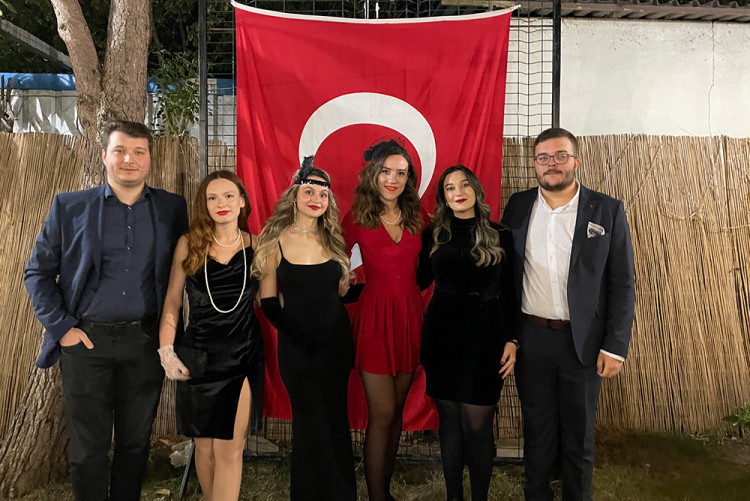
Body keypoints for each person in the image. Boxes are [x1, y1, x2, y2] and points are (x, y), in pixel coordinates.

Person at [24, 120, 188, 501]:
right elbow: (37, 273)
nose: (129, 159)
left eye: (138, 152)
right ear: (104, 156)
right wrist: (63, 328)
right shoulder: (70, 207)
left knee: (135, 444)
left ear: (149, 159)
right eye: (120, 151)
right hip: (86, 344)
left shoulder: (171, 208)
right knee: (88, 450)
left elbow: (182, 270)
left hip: (144, 344)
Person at [501, 127, 635, 501]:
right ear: (534, 164)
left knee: (579, 435)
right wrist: (510, 336)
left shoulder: (606, 209)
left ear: (576, 160)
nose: (552, 164)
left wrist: (615, 346)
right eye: (543, 157)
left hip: (583, 342)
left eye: (560, 155)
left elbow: (622, 282)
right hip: (532, 339)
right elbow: (507, 277)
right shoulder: (518, 206)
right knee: (537, 431)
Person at [252, 159, 356, 501]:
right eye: (309, 191)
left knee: (336, 420)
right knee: (309, 424)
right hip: (297, 350)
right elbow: (269, 303)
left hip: (337, 346)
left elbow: (339, 293)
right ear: (294, 195)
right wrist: (301, 338)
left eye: (323, 194)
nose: (316, 199)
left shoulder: (334, 239)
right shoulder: (274, 241)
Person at [157, 170, 264, 500]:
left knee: (229, 449)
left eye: (229, 195)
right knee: (204, 449)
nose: (221, 203)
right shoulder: (189, 244)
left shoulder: (257, 244)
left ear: (242, 201)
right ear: (204, 205)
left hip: (242, 356)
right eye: (212, 197)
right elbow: (173, 301)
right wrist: (166, 349)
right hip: (198, 356)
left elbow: (271, 299)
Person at [417, 165, 518, 501]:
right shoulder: (433, 234)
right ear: (443, 197)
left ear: (476, 189)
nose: (457, 192)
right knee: (449, 423)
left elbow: (511, 292)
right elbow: (416, 280)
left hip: (486, 337)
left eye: (463, 185)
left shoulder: (501, 234)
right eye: (449, 187)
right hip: (441, 336)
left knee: (477, 425)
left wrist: (513, 339)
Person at [342, 139, 429, 501]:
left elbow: (433, 265)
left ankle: (385, 492)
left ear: (409, 179)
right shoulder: (357, 216)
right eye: (386, 171)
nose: (393, 179)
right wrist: (341, 280)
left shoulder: (419, 217)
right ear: (374, 174)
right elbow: (333, 258)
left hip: (409, 317)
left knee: (396, 415)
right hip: (374, 319)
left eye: (401, 173)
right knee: (383, 412)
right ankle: (377, 496)